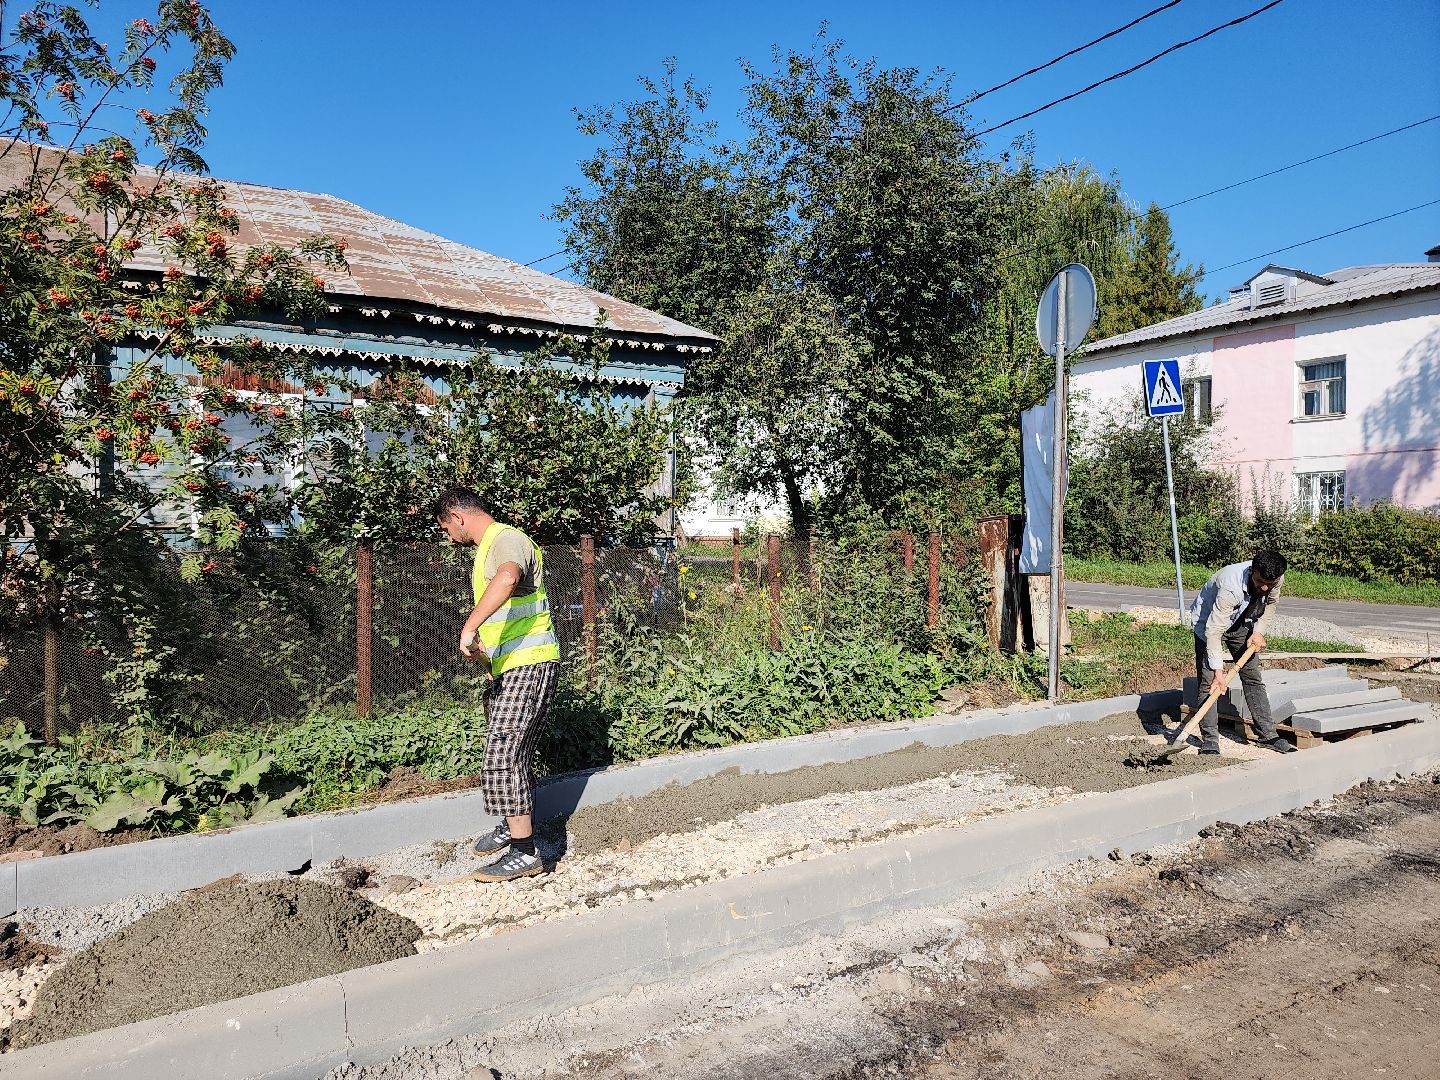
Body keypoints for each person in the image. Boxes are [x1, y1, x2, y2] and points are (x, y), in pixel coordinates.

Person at [433, 487, 562, 881]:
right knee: (512, 752)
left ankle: (525, 853)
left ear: (458, 516)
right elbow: (508, 613)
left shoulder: (506, 539)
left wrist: (469, 626)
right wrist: (490, 659)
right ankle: (513, 823)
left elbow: (508, 579)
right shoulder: (488, 547)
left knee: (502, 753)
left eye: (446, 527)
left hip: (530, 664)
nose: (449, 537)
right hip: (514, 666)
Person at [1188, 549, 1296, 756]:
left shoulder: (1276, 577)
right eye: (1260, 582)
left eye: (1270, 583)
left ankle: (1268, 736)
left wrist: (1258, 631)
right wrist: (1219, 672)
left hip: (1240, 621)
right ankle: (1210, 740)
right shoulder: (1231, 587)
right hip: (1209, 622)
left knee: (1252, 676)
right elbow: (1214, 631)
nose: (1265, 588)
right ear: (1251, 571)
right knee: (1209, 683)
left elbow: (1271, 603)